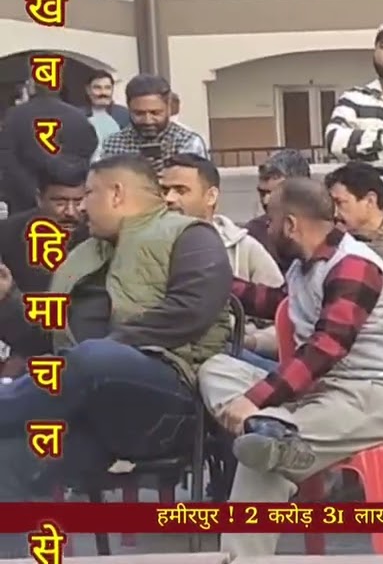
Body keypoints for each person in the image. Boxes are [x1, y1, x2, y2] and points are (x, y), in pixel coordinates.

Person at [196, 178, 383, 559]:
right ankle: (271, 432)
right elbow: (279, 303)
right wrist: (216, 283)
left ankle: (271, 436)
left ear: (291, 225)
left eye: (271, 219)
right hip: (316, 393)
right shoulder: (306, 267)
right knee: (216, 369)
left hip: (370, 395)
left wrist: (255, 399)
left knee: (260, 458)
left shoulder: (354, 265)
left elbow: (326, 348)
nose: (266, 227)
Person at [0, 155, 233, 506]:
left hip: (169, 398)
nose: (80, 208)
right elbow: (49, 336)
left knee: (92, 357)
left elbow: (191, 310)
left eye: (88, 194)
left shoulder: (190, 235)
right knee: (9, 461)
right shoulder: (82, 253)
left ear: (117, 194)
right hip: (91, 406)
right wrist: (7, 300)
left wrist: (108, 348)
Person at [160, 154, 284, 365]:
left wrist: (249, 342)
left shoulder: (245, 248)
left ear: (211, 196)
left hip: (234, 359)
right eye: (164, 191)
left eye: (181, 190)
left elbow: (286, 319)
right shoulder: (145, 247)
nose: (169, 199)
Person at [324, 20, 383, 172]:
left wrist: (365, 147)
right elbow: (333, 140)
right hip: (362, 186)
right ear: (374, 52)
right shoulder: (353, 98)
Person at [0, 78, 97, 213]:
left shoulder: (15, 116)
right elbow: (88, 153)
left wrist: (29, 192)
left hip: (23, 202)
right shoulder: (79, 117)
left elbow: (6, 159)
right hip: (70, 201)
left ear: (32, 87)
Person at [0, 158, 88, 294]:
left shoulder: (100, 233)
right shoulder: (7, 234)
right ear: (39, 199)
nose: (70, 212)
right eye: (60, 203)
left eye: (78, 202)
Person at [96, 75, 207, 170]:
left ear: (169, 108)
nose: (148, 121)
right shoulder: (111, 144)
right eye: (139, 114)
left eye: (155, 113)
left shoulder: (187, 142)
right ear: (129, 108)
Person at [243, 149, 312, 270]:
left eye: (274, 193)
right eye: (262, 193)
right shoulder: (253, 234)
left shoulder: (322, 232)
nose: (266, 201)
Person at [82, 70, 130, 158]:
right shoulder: (79, 116)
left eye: (107, 88)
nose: (103, 92)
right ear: (88, 90)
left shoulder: (124, 115)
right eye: (97, 88)